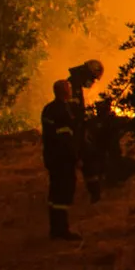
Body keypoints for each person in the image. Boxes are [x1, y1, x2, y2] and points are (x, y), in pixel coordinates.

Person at [42, 79, 82, 241]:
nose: (71, 90)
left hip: (51, 157)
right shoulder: (63, 110)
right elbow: (66, 139)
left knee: (55, 193)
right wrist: (75, 158)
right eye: (69, 88)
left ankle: (55, 228)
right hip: (63, 159)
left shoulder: (48, 109)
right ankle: (62, 230)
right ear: (64, 91)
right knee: (64, 192)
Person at [66, 59, 104, 202]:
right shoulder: (72, 86)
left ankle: (95, 195)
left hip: (77, 132)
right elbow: (72, 114)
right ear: (87, 74)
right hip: (72, 134)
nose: (93, 82)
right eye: (93, 78)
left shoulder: (74, 84)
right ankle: (93, 195)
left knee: (88, 160)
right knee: (83, 161)